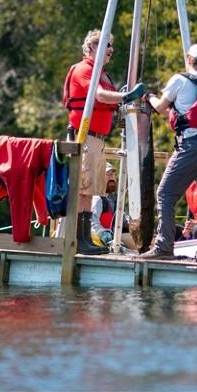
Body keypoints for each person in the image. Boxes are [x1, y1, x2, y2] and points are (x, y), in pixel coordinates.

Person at [141, 38, 197, 259]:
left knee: (165, 193)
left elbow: (160, 107)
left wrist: (148, 96)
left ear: (189, 59)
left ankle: (163, 247)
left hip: (192, 144)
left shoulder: (179, 79)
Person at [62, 29, 143, 254]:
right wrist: (126, 96)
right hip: (84, 137)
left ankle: (85, 238)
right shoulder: (84, 70)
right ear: (91, 49)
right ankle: (78, 241)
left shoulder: (101, 73)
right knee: (83, 188)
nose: (111, 49)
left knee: (90, 190)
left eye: (111, 45)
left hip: (96, 139)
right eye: (105, 45)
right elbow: (98, 95)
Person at [90, 163, 137, 250]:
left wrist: (133, 224)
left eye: (113, 174)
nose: (112, 176)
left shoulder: (112, 199)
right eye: (108, 174)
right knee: (138, 241)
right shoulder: (97, 198)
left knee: (141, 238)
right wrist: (105, 236)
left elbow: (121, 218)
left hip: (113, 238)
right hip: (100, 242)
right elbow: (93, 224)